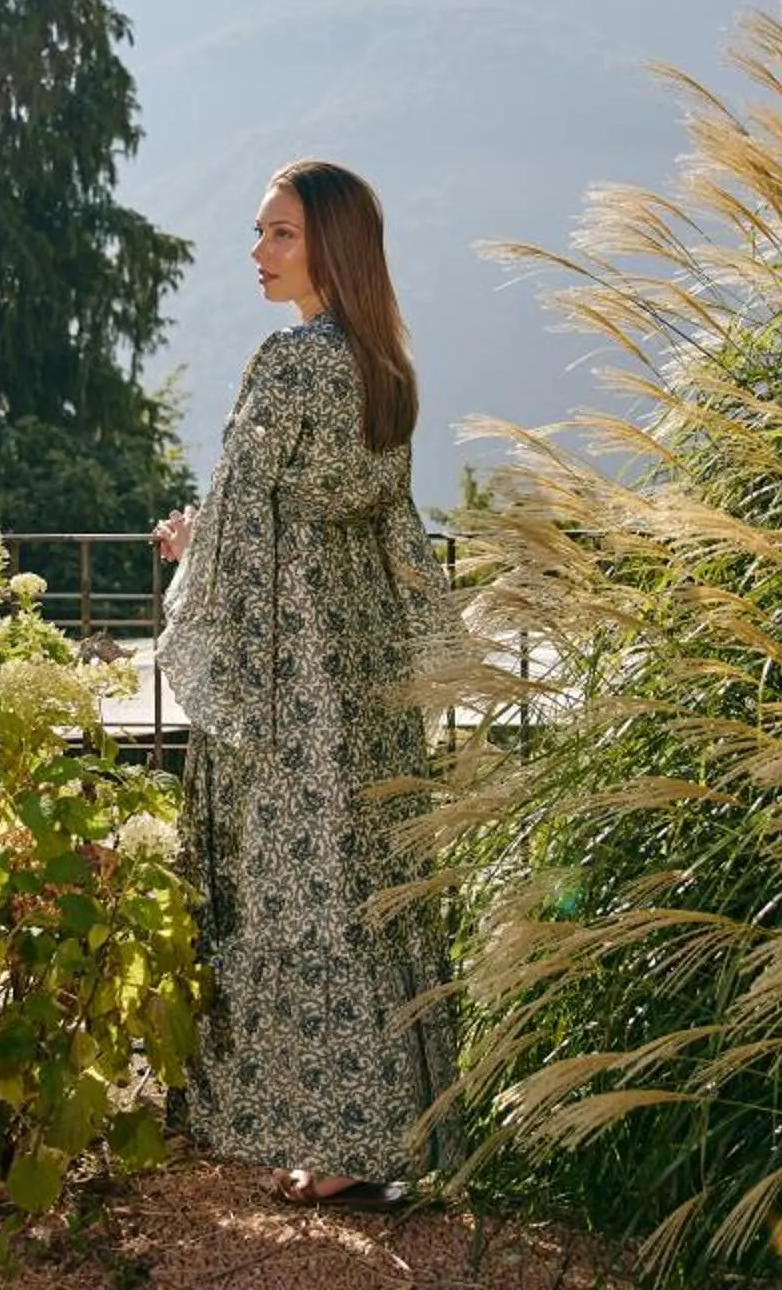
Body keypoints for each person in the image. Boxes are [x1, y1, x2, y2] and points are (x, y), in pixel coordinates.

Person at [152, 159, 463, 1212]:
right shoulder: (386, 368)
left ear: (330, 245)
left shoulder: (290, 364)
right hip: (364, 661)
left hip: (293, 677)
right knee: (367, 888)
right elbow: (358, 510)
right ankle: (394, 1128)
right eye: (259, 232)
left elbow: (241, 508)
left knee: (304, 888)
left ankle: (331, 1141)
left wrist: (191, 551)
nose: (258, 252)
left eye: (279, 233)